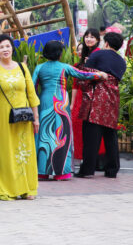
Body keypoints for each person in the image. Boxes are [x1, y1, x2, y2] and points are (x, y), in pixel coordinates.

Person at [33, 40, 106, 180]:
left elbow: (31, 87)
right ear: (60, 54)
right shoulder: (65, 67)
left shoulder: (39, 68)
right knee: (62, 134)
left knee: (45, 134)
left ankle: (42, 171)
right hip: (61, 103)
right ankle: (61, 172)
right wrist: (99, 75)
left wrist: (35, 103)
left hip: (45, 103)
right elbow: (83, 75)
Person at [0, 34, 40, 200]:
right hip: (2, 118)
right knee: (6, 152)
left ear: (12, 48)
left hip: (23, 117)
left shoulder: (23, 68)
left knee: (25, 151)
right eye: (1, 47)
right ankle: (8, 190)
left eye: (8, 46)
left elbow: (32, 94)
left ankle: (27, 189)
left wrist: (36, 118)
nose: (5, 50)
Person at [76, 32, 127, 179]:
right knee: (110, 135)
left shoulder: (98, 55)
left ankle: (87, 170)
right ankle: (112, 170)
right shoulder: (121, 61)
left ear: (106, 43)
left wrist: (86, 66)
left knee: (91, 135)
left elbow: (84, 75)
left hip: (96, 97)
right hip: (113, 98)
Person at [72, 28, 102, 164]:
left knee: (90, 128)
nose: (89, 39)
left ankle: (93, 159)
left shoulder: (97, 54)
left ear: (97, 40)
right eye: (87, 36)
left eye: (92, 37)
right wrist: (72, 103)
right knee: (78, 126)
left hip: (92, 95)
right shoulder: (82, 60)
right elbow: (75, 85)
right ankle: (82, 157)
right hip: (81, 96)